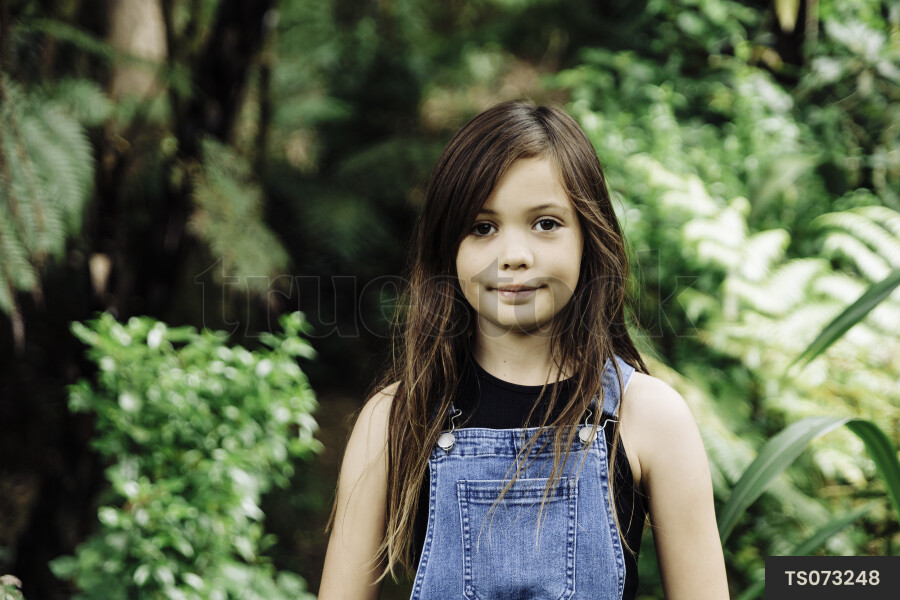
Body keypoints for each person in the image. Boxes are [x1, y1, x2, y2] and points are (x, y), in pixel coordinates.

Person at [318, 100, 729, 599]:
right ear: (449, 246)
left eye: (546, 224)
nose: (514, 256)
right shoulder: (394, 421)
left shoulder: (652, 417)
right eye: (482, 227)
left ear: (588, 239)